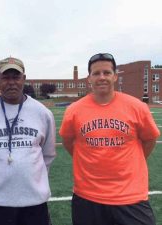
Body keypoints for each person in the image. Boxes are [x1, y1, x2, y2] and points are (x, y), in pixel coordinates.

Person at [59, 53, 160, 225]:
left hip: (130, 196)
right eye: (96, 73)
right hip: (87, 196)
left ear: (115, 76)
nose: (102, 77)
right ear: (89, 78)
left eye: (106, 72)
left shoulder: (137, 107)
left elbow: (149, 140)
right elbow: (69, 142)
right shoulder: (74, 110)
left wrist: (130, 163)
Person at [0, 57, 56, 225]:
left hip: (34, 203)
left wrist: (32, 177)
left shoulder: (43, 113)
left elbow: (48, 155)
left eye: (16, 77)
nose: (11, 82)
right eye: (6, 77)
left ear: (24, 79)